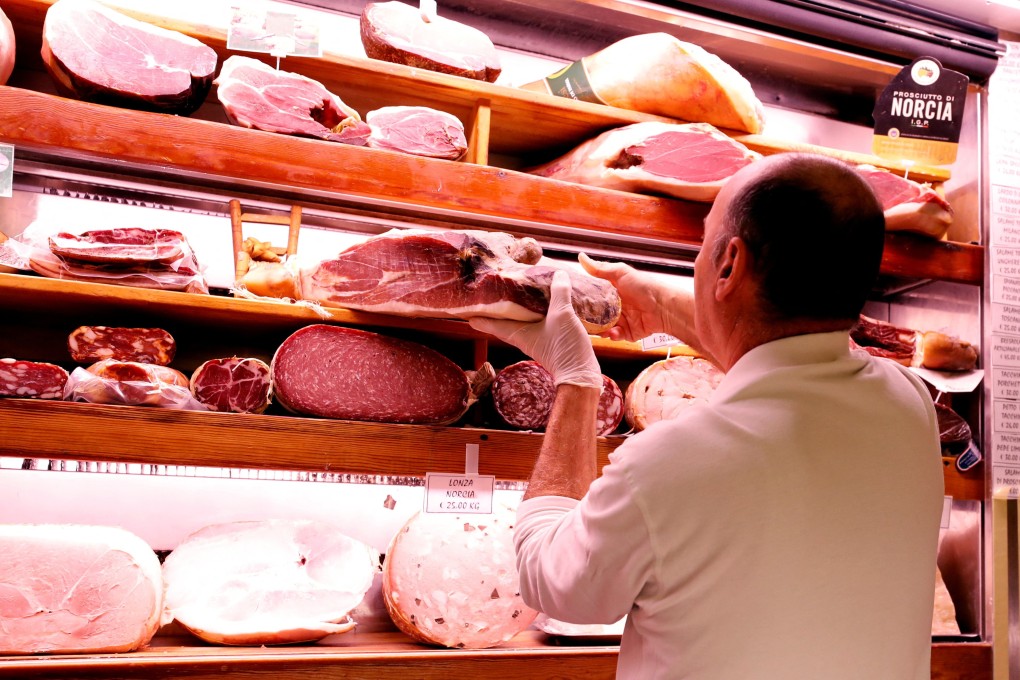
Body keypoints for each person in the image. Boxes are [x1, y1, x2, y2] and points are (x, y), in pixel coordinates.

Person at [469, 152, 945, 679]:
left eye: (704, 242)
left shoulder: (667, 462)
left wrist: (577, 381)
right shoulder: (909, 405)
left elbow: (555, 584)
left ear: (729, 264)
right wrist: (660, 303)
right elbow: (791, 352)